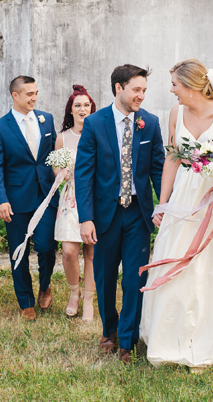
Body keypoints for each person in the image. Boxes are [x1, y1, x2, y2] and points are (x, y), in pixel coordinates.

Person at [140, 59, 213, 371]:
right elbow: (173, 158)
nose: (171, 90)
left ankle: (204, 342)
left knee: (211, 268)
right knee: (176, 261)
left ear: (190, 86)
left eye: (174, 84)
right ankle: (167, 339)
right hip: (185, 197)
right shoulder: (177, 112)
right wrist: (163, 202)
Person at [76, 67, 164, 365]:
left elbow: (158, 169)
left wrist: (163, 207)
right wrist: (85, 217)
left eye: (144, 91)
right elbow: (84, 172)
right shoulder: (94, 123)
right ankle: (109, 330)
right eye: (135, 89)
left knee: (135, 278)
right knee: (105, 276)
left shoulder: (149, 123)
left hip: (138, 214)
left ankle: (127, 340)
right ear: (118, 88)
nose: (141, 95)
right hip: (104, 214)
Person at [0, 76, 58, 321]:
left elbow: (53, 154)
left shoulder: (46, 118)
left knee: (47, 246)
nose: (34, 98)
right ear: (15, 95)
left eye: (36, 93)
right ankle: (26, 301)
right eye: (29, 94)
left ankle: (45, 284)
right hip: (15, 198)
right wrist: (0, 200)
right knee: (19, 251)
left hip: (46, 194)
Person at [53, 85, 97, 321]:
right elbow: (56, 165)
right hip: (71, 198)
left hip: (94, 196)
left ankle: (88, 299)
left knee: (91, 251)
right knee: (69, 251)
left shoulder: (99, 132)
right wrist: (62, 174)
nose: (82, 109)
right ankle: (74, 291)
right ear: (70, 110)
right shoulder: (63, 137)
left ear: (92, 108)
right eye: (77, 105)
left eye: (86, 105)